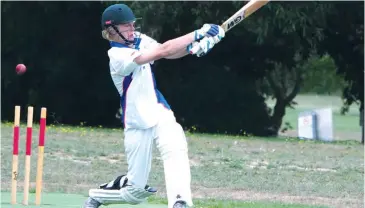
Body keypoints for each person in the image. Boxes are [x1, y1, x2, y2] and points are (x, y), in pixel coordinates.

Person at [83, 3, 225, 208]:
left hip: (159, 109)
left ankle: (180, 201)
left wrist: (196, 46)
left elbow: (168, 52)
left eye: (133, 25)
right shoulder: (117, 57)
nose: (132, 30)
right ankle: (98, 195)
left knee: (175, 147)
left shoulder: (139, 39)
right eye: (126, 27)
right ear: (111, 30)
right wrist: (198, 32)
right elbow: (161, 51)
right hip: (136, 122)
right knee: (134, 193)